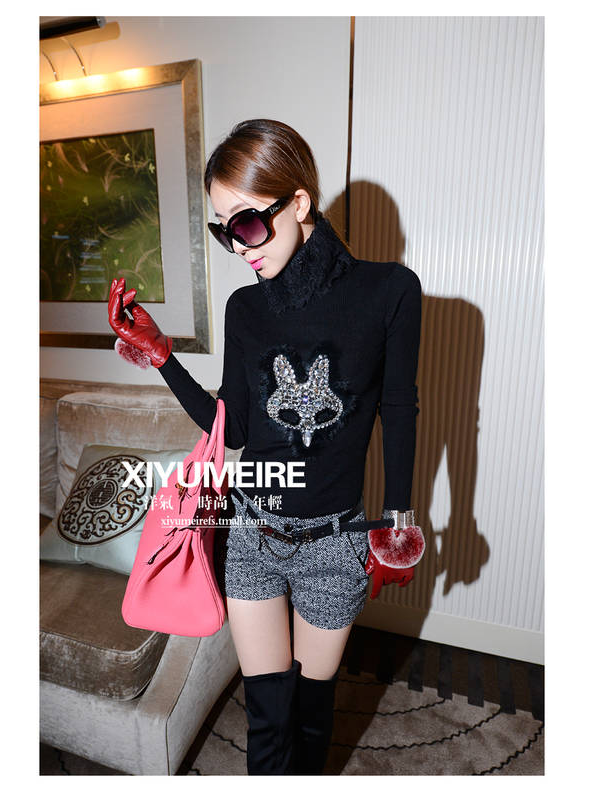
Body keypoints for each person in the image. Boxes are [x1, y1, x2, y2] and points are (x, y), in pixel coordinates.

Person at [108, 118, 422, 776]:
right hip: (253, 531)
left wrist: (398, 519)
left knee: (309, 715)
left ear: (299, 203)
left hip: (334, 543)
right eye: (225, 230)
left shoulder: (390, 292)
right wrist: (162, 356)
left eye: (248, 223)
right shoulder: (245, 310)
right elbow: (235, 429)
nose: (239, 246)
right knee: (267, 716)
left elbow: (397, 410)